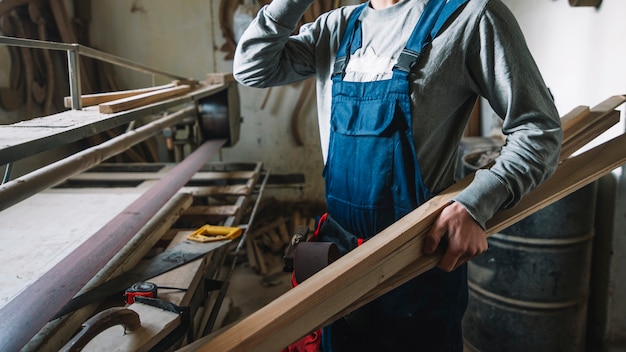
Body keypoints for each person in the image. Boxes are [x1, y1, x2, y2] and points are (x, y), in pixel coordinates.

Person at [233, 0, 562, 350]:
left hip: (415, 263)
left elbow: (538, 130)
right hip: (337, 259)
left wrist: (476, 203)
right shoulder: (337, 25)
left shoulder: (469, 17)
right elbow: (253, 68)